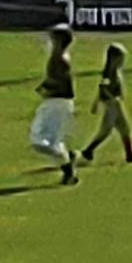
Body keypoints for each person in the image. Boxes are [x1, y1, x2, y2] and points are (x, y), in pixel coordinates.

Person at [73, 40, 132, 167]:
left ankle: (129, 154)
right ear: (115, 59)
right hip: (112, 104)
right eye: (121, 58)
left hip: (116, 103)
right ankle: (88, 151)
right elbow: (103, 88)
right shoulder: (110, 74)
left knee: (125, 128)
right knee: (105, 130)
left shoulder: (115, 72)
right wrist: (105, 100)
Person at [30, 21, 81, 184]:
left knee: (40, 140)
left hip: (57, 103)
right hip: (55, 103)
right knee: (49, 139)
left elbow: (62, 84)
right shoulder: (58, 58)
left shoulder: (59, 60)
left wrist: (47, 88)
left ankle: (68, 163)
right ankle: (68, 163)